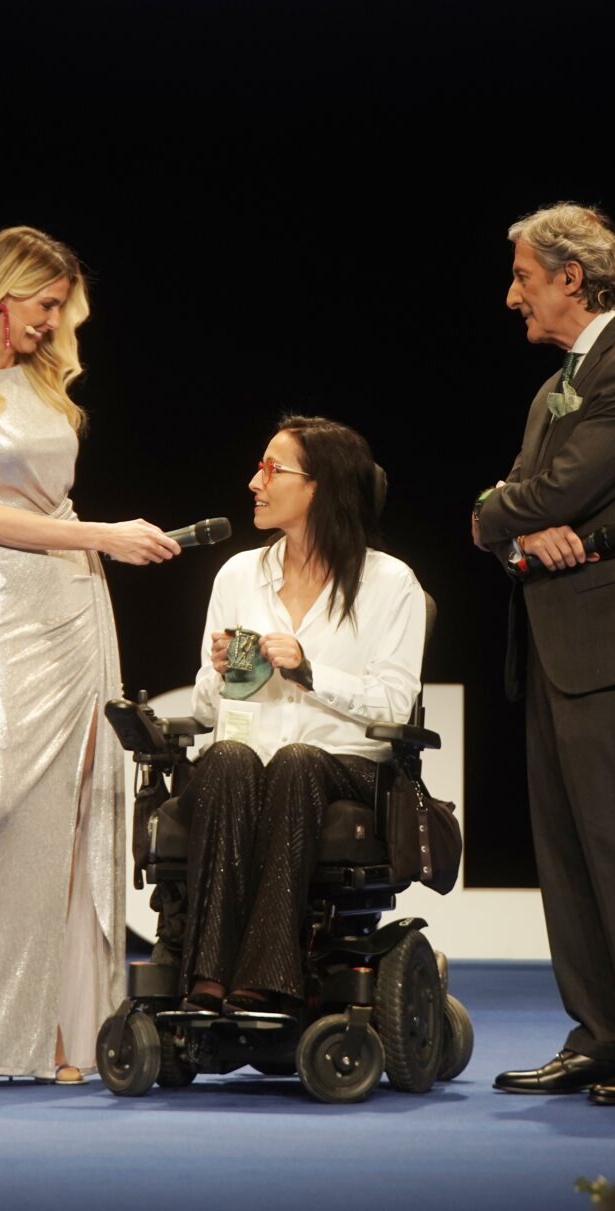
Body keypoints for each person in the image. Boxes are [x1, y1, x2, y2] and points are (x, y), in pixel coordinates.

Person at [0, 226, 182, 1094]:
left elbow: (53, 498)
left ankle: (62, 1029)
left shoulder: (42, 382)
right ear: (2, 292)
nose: (55, 322)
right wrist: (103, 534)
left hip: (76, 601)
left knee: (76, 809)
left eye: (63, 307)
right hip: (1, 603)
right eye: (46, 304)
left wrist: (95, 544)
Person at [472, 203, 615, 1105]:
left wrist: (504, 514)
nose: (512, 297)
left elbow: (550, 490)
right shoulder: (554, 389)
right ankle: (602, 1034)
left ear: (573, 277)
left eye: (524, 278)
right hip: (555, 638)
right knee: (567, 849)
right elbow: (515, 513)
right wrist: (515, 527)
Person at [181, 416, 424, 1012]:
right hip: (247, 759)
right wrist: (221, 672)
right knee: (228, 758)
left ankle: (268, 978)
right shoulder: (239, 575)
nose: (254, 482)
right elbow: (203, 709)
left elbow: (396, 706)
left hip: (345, 767)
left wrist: (310, 672)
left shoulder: (390, 583)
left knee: (297, 762)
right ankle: (207, 977)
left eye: (272, 469)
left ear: (320, 486)